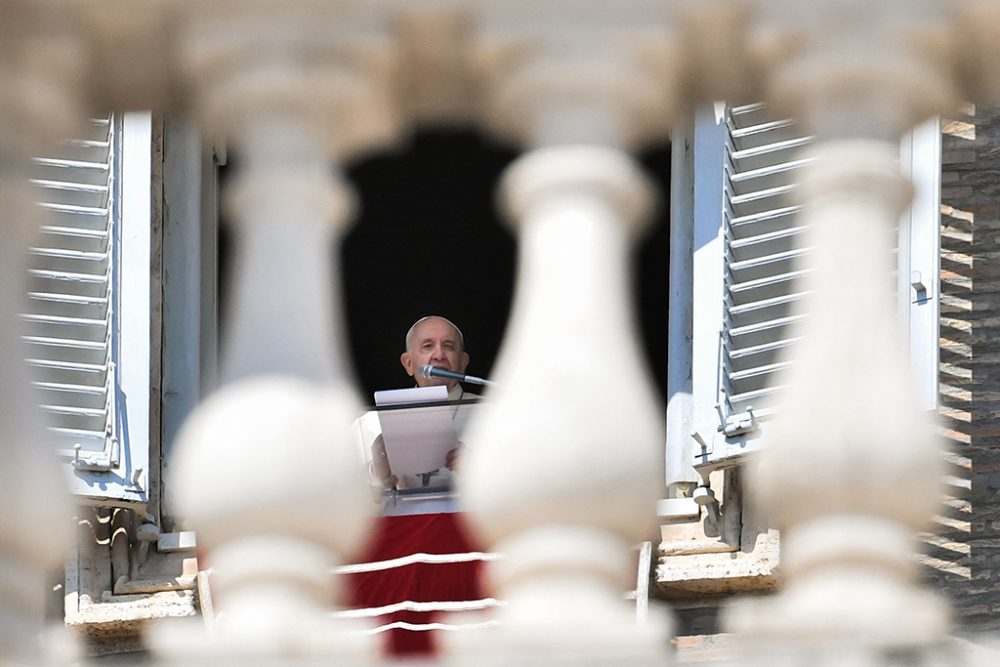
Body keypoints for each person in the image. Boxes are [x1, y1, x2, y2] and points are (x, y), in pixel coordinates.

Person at [359, 315, 479, 491]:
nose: (439, 355)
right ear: (408, 363)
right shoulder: (371, 422)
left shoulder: (491, 414)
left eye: (448, 346)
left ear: (462, 362)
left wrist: (479, 471)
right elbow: (337, 495)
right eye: (428, 346)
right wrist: (378, 472)